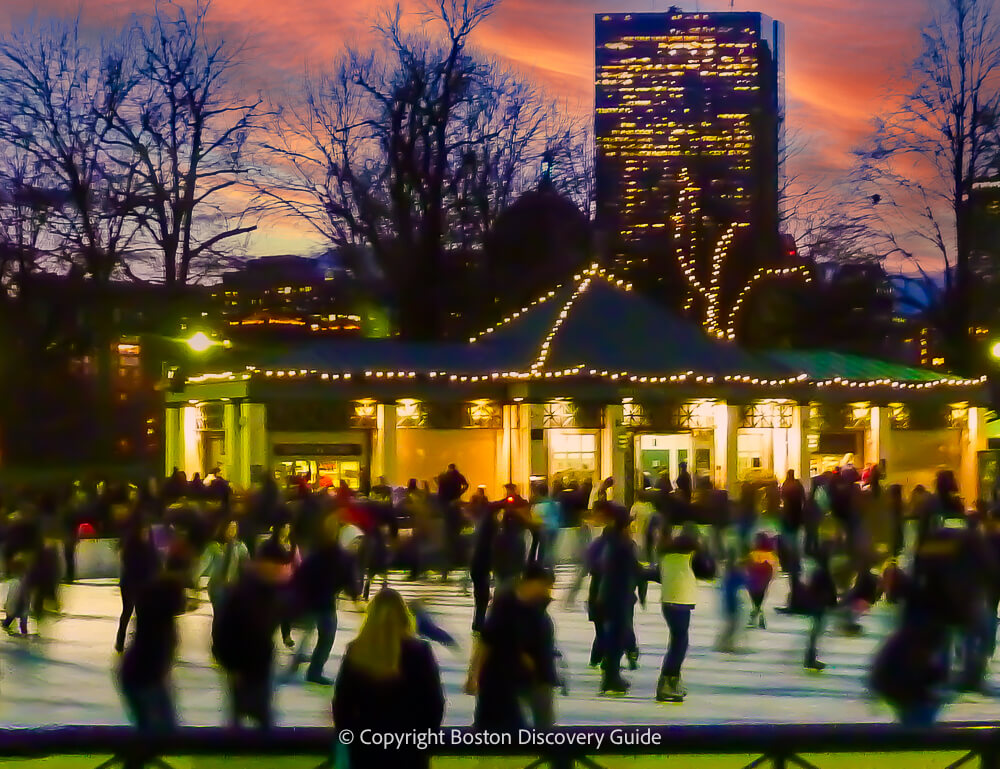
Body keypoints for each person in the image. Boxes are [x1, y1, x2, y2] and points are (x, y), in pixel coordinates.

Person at [334, 589, 445, 769]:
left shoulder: (357, 650)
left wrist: (350, 738)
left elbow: (342, 704)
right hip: (410, 745)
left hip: (366, 745)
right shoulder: (420, 651)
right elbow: (434, 703)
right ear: (404, 615)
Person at [467, 564, 558, 730]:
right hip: (509, 674)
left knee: (545, 725)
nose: (548, 591)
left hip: (539, 674)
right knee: (501, 722)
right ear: (531, 583)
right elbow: (486, 642)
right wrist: (474, 675)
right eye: (545, 586)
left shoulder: (539, 605)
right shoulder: (505, 607)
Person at [212, 549, 288, 729]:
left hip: (258, 662)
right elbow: (225, 630)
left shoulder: (269, 591)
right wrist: (231, 664)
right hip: (244, 664)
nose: (281, 572)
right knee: (251, 710)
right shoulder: (243, 593)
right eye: (277, 567)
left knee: (254, 710)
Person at [287, 513, 361, 685]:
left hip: (317, 602)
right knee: (324, 636)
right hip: (318, 603)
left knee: (321, 635)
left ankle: (308, 665)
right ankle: (312, 668)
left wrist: (356, 596)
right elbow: (301, 577)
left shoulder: (321, 554)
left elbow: (347, 578)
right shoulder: (325, 555)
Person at [117, 557, 189, 733]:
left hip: (144, 677)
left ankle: (141, 753)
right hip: (143, 679)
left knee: (158, 729)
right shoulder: (157, 626)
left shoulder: (158, 620)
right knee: (159, 730)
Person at [656, 522, 715, 702]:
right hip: (681, 601)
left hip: (668, 601)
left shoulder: (665, 555)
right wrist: (705, 550)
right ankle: (667, 681)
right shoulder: (692, 556)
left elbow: (657, 574)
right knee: (679, 643)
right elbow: (709, 571)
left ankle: (672, 680)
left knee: (678, 641)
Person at [199, 519, 250, 614]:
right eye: (229, 527)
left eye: (234, 528)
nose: (232, 530)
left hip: (233, 587)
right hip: (217, 587)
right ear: (223, 529)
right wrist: (195, 580)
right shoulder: (214, 546)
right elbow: (203, 563)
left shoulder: (240, 547)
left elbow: (246, 568)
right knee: (218, 615)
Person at [746, 532, 779, 630]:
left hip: (752, 582)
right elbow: (774, 571)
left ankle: (756, 616)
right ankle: (758, 616)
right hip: (764, 583)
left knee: (756, 601)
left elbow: (747, 568)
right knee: (759, 600)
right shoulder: (772, 557)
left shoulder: (752, 555)